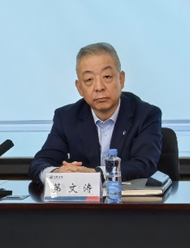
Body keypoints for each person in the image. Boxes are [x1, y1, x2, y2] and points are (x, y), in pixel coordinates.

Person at [28, 42, 162, 184]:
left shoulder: (146, 115)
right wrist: (57, 173)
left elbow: (144, 165)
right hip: (84, 198)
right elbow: (40, 163)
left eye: (107, 76)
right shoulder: (66, 117)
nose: (99, 87)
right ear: (79, 88)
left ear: (121, 79)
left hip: (125, 198)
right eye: (89, 80)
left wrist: (95, 175)